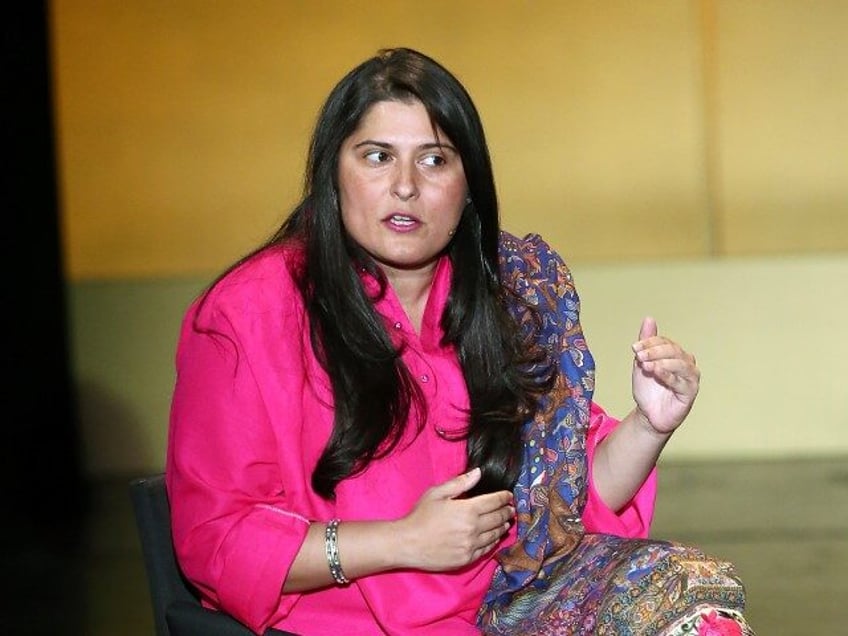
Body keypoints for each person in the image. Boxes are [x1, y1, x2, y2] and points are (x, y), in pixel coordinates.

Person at [166, 47, 753, 635]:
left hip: (503, 603)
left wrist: (650, 425)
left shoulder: (509, 291)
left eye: (434, 160)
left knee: (691, 609)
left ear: (468, 184)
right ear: (332, 174)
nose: (404, 186)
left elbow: (566, 495)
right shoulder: (249, 313)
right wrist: (401, 542)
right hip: (341, 622)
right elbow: (217, 540)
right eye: (376, 157)